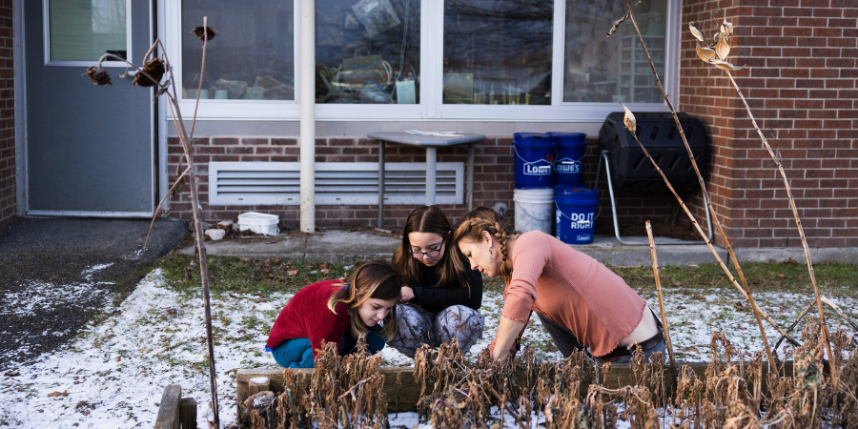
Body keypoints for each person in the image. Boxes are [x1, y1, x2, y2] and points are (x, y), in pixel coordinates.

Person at [452, 207, 665, 364]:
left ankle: (583, 364)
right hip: (620, 350)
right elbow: (514, 320)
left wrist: (497, 358)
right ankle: (581, 362)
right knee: (530, 303)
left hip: (638, 354)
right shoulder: (516, 275)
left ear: (487, 239)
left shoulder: (530, 243)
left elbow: (521, 297)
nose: (471, 265)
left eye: (470, 254)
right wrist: (489, 358)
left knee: (525, 299)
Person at [265, 259, 401, 368]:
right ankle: (297, 371)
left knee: (375, 337)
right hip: (286, 348)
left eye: (388, 308)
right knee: (329, 350)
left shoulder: (354, 296)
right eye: (376, 307)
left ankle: (345, 367)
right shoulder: (332, 312)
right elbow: (324, 357)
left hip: (320, 337)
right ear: (357, 293)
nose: (381, 316)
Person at [388, 206, 485, 358]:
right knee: (394, 315)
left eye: (433, 248)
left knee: (463, 316)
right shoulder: (403, 257)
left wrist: (416, 293)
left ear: (447, 236)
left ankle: (451, 364)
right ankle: (423, 364)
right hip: (419, 324)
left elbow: (474, 298)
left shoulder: (463, 254)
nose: (426, 256)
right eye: (417, 249)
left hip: (452, 325)